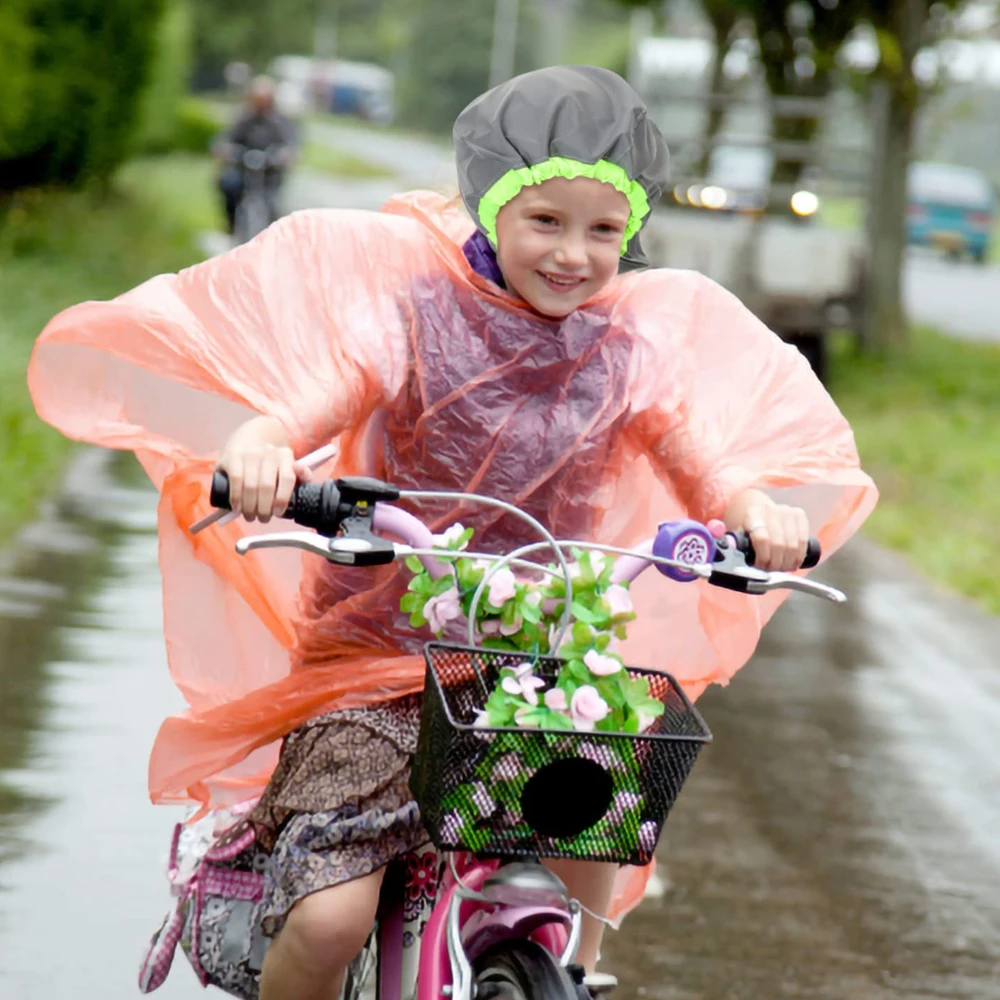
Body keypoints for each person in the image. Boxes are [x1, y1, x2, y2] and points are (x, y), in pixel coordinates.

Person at [27, 66, 877, 1000]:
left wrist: (753, 510)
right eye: (545, 222)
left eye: (605, 230)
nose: (574, 255)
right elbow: (317, 399)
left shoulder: (628, 356)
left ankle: (569, 973)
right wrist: (266, 446)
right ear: (491, 210)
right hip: (375, 665)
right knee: (328, 919)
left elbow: (708, 457)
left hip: (532, 664)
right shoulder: (417, 319)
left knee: (599, 805)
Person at [214, 75, 298, 235]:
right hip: (242, 167)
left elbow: (291, 144)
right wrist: (226, 150)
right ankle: (231, 223)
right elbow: (226, 139)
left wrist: (284, 155)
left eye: (264, 99)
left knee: (272, 203)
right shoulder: (243, 118)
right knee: (228, 185)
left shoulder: (281, 121)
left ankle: (274, 235)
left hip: (270, 172)